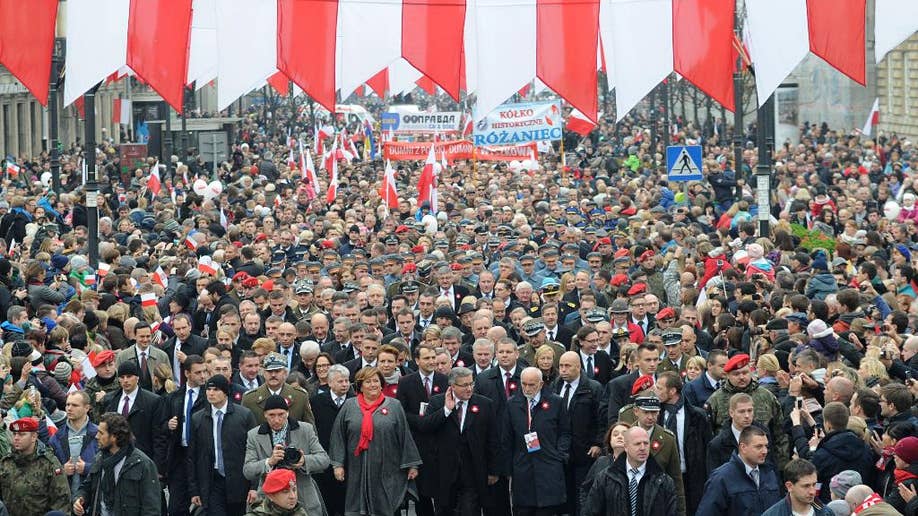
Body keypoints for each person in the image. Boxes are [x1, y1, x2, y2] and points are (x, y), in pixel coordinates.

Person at [329, 366, 421, 516]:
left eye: (376, 381)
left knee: (387, 506)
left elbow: (405, 436)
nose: (373, 385)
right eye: (368, 381)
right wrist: (337, 465)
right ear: (360, 385)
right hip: (356, 468)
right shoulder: (349, 406)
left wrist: (412, 465)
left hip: (388, 469)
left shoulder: (394, 406)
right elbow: (338, 436)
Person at [418, 366, 500, 516]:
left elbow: (492, 439)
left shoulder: (484, 404)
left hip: (473, 471)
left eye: (471, 384)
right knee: (445, 511)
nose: (469, 389)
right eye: (464, 385)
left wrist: (493, 470)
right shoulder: (437, 402)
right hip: (444, 472)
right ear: (452, 386)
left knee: (470, 510)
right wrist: (446, 410)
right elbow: (425, 427)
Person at [243, 394, 329, 515]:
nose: (276, 420)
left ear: (288, 413)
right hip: (269, 502)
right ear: (265, 415)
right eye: (272, 415)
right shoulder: (254, 435)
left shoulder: (305, 429)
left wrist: (303, 461)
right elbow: (248, 470)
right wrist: (269, 462)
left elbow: (324, 459)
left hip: (303, 496)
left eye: (281, 415)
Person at [501, 366, 571, 516]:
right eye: (524, 384)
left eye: (531, 384)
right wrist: (508, 468)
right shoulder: (512, 404)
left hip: (549, 467)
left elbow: (565, 432)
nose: (527, 388)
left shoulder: (556, 402)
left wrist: (560, 455)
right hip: (522, 469)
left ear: (540, 384)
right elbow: (506, 438)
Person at [188, 374, 258, 516]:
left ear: (226, 392)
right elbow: (192, 456)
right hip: (212, 481)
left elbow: (255, 452)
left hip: (239, 481)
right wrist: (194, 490)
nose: (211, 393)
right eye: (208, 389)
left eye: (216, 389)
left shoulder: (244, 415)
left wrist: (254, 486)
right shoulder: (198, 418)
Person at [704, 353, 789, 470]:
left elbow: (779, 432)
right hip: (728, 462)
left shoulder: (766, 396)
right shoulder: (715, 400)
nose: (742, 377)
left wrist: (781, 466)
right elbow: (708, 435)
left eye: (745, 373)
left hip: (763, 463)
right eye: (736, 374)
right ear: (727, 375)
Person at [73, 413, 162, 516]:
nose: (97, 436)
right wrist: (80, 499)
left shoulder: (142, 464)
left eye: (101, 433)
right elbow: (87, 487)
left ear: (114, 436)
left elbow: (151, 507)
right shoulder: (99, 458)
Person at [397, 344, 449, 516]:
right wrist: (422, 421)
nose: (431, 361)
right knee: (422, 495)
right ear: (417, 360)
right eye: (427, 358)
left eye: (433, 357)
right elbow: (401, 412)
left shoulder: (444, 380)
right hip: (418, 444)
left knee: (444, 492)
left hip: (441, 442)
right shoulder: (405, 382)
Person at [791, 401, 877, 503]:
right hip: (859, 503)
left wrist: (797, 425)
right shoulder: (865, 448)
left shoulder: (824, 453)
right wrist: (810, 419)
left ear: (827, 424)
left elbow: (807, 463)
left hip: (831, 505)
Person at [553, 351, 605, 515]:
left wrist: (598, 443)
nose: (563, 370)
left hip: (584, 451)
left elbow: (601, 419)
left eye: (567, 366)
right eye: (561, 366)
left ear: (578, 367)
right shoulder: (556, 385)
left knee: (581, 493)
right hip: (561, 452)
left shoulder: (593, 388)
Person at [582, 426, 678, 516]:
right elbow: (591, 512)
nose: (642, 448)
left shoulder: (664, 481)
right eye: (637, 444)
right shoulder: (606, 478)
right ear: (626, 447)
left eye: (646, 443)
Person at [158, 354, 209, 516]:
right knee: (175, 507)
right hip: (179, 456)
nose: (203, 376)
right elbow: (161, 426)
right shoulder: (174, 397)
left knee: (204, 506)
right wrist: (168, 425)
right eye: (198, 372)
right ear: (187, 374)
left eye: (204, 372)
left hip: (202, 457)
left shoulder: (209, 396)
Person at [655, 370, 711, 514]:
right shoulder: (655, 414)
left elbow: (707, 449)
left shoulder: (697, 416)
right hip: (663, 478)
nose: (655, 391)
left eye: (660, 388)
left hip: (692, 478)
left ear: (672, 391)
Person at [696, 426, 782, 516]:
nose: (765, 451)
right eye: (759, 447)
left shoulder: (770, 474)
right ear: (743, 447)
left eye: (766, 446)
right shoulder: (721, 478)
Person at [0, 417, 71, 516]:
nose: (16, 438)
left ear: (33, 437)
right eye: (14, 434)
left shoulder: (48, 463)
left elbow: (61, 500)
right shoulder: (5, 462)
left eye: (21, 434)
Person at [102, 360, 165, 473]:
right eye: (122, 377)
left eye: (129, 376)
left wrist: (157, 468)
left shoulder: (153, 401)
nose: (125, 380)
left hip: (142, 459)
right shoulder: (110, 399)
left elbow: (159, 437)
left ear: (137, 378)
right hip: (114, 459)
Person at [310, 364, 353, 516]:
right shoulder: (317, 402)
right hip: (325, 458)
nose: (345, 384)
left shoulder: (354, 401)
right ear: (329, 383)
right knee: (328, 500)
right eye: (340, 381)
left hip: (350, 460)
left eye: (347, 381)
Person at [48, 391, 98, 501]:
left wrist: (88, 468)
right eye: (67, 404)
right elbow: (46, 471)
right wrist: (61, 471)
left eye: (75, 405)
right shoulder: (56, 437)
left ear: (87, 408)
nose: (69, 408)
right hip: (65, 500)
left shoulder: (99, 434)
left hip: (92, 499)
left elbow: (109, 466)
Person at [243, 352, 315, 425]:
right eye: (269, 371)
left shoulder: (300, 396)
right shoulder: (250, 399)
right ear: (264, 373)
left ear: (285, 373)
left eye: (277, 371)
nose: (273, 375)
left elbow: (310, 429)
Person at [762, 459, 836, 516]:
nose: (812, 492)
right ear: (789, 486)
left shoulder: (827, 513)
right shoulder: (773, 514)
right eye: (806, 486)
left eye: (814, 485)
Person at [245, 468, 310, 516]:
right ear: (270, 496)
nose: (293, 496)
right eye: (285, 492)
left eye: (294, 490)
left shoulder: (300, 512)